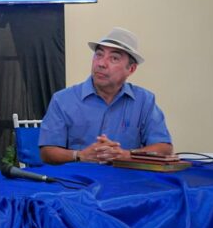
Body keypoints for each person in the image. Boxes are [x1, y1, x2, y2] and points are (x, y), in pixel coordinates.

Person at [39, 27, 173, 164]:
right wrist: (80, 155)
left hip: (126, 176)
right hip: (78, 176)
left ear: (131, 69)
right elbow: (47, 152)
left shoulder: (144, 101)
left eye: (114, 58)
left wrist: (126, 155)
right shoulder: (63, 100)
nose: (101, 64)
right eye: (99, 54)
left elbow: (164, 148)